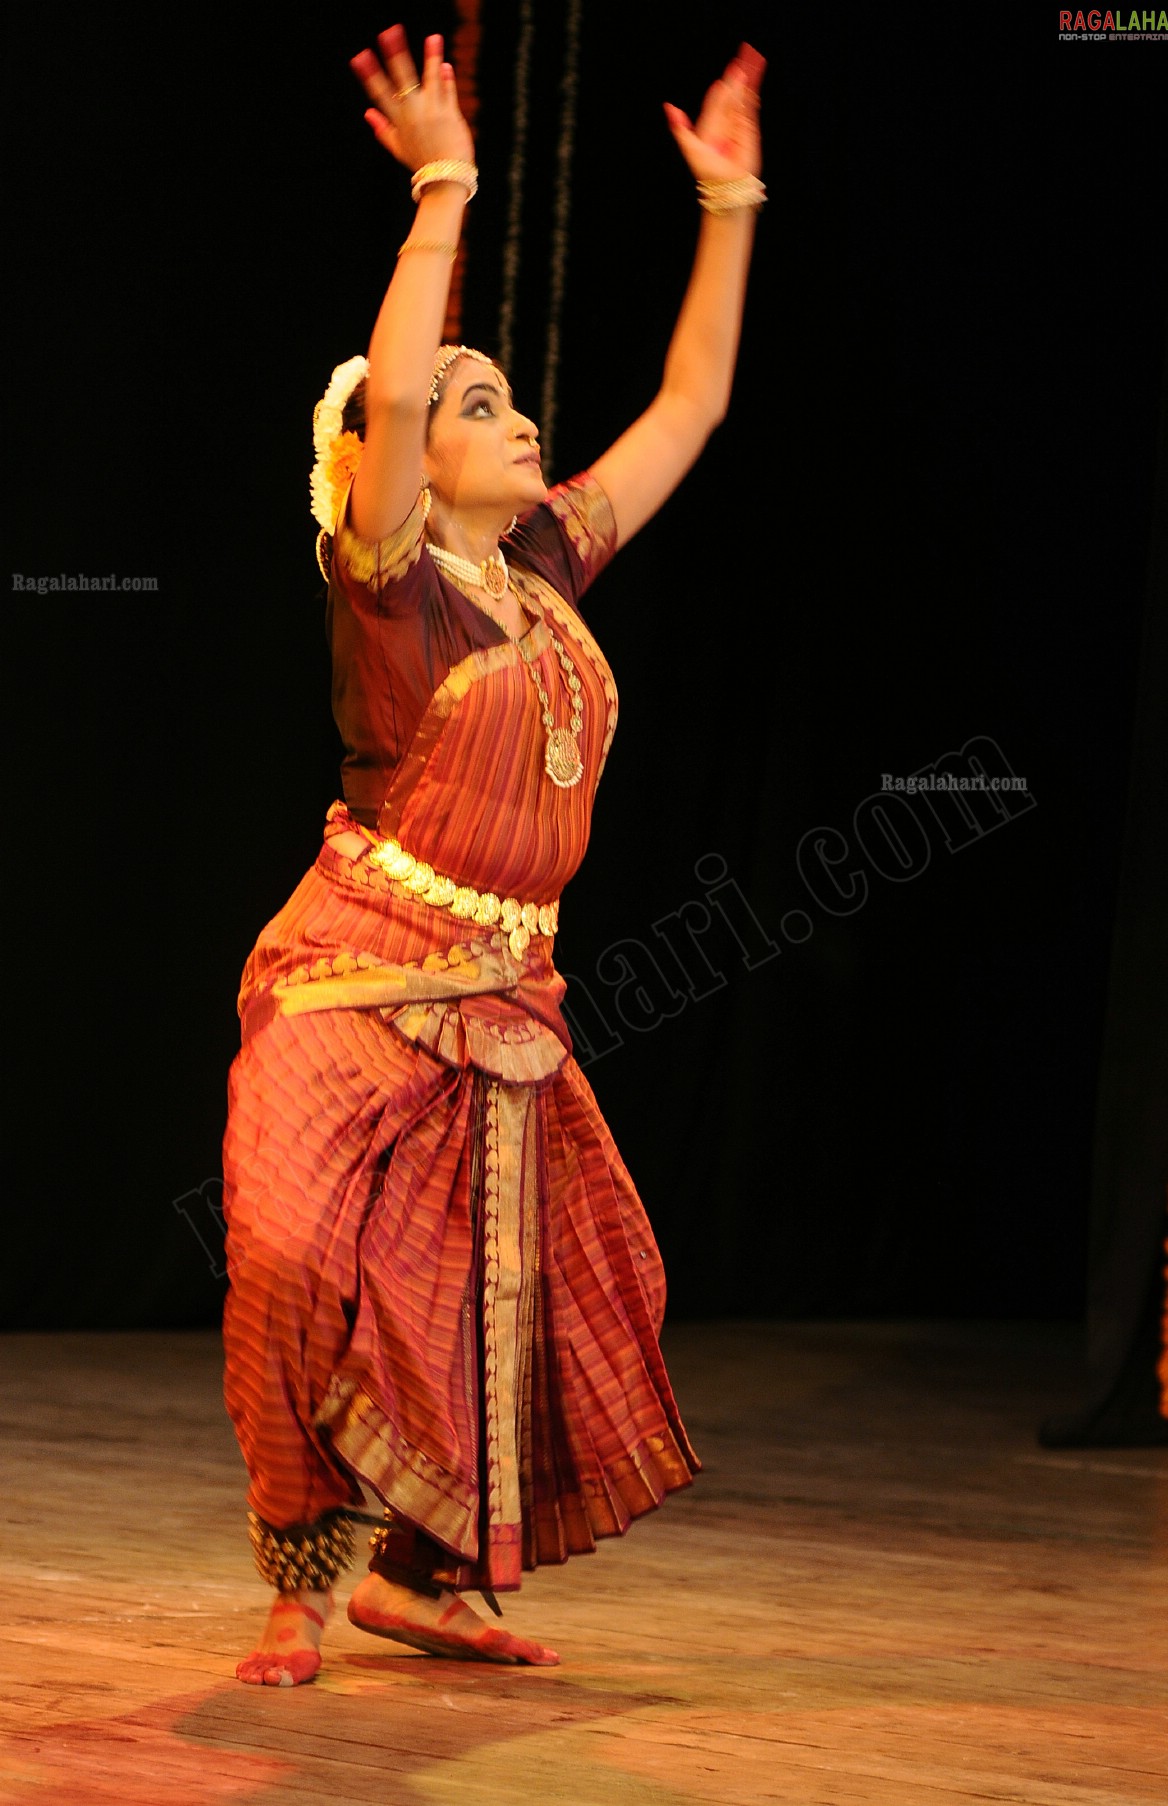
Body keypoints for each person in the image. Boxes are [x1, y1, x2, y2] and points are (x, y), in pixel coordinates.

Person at [223, 20, 765, 1686]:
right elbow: (392, 380)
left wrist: (731, 203)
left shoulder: (545, 568)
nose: (514, 416)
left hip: (504, 987)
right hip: (354, 976)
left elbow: (690, 404)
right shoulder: (387, 581)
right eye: (480, 403)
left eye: (514, 399)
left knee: (493, 1298)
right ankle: (299, 1585)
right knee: (299, 1253)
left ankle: (430, 1574)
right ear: (400, 462)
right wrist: (444, 185)